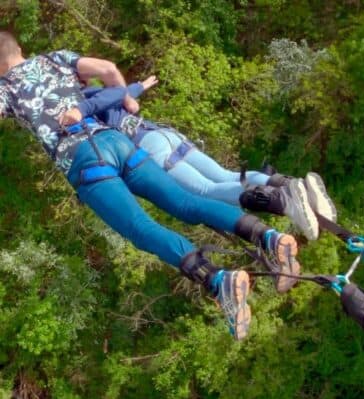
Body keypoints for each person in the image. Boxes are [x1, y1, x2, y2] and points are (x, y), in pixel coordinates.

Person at [0, 32, 299, 340]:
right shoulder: (55, 58)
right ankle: (269, 237)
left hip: (84, 161)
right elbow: (106, 68)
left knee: (141, 229)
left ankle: (217, 280)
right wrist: (127, 97)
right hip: (117, 141)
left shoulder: (6, 88)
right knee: (186, 203)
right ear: (19, 48)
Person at [64, 76, 337, 241]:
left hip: (148, 146)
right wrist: (138, 86)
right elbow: (121, 94)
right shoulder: (101, 92)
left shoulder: (81, 103)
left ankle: (286, 201)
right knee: (226, 176)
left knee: (207, 191)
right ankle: (289, 184)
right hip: (162, 134)